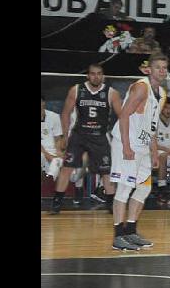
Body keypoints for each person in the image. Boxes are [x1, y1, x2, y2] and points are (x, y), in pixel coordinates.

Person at [108, 53, 169, 251]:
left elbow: (152, 125)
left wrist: (154, 151)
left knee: (144, 188)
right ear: (148, 69)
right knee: (125, 188)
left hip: (143, 146)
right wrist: (126, 146)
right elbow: (124, 115)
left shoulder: (162, 93)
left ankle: (131, 231)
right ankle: (118, 236)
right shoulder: (141, 87)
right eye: (158, 67)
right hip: (128, 143)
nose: (162, 70)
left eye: (165, 67)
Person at [51, 64, 122, 214]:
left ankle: (111, 203)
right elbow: (65, 113)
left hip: (99, 136)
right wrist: (64, 136)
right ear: (88, 75)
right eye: (93, 74)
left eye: (99, 74)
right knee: (66, 168)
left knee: (106, 170)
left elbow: (122, 116)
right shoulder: (77, 90)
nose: (96, 76)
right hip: (79, 135)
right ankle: (56, 203)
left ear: (103, 75)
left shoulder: (111, 93)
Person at [41, 95, 64, 182]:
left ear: (43, 103)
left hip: (52, 151)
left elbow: (58, 138)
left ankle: (49, 178)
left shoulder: (54, 116)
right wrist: (47, 155)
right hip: (43, 153)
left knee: (58, 161)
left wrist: (58, 152)